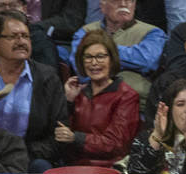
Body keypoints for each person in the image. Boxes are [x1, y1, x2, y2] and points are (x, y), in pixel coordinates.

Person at [0, 10, 68, 171]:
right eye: (13, 37)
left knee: (42, 168)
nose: (21, 42)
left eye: (25, 36)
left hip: (29, 158)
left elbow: (58, 134)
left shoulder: (48, 78)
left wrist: (18, 152)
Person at [54, 29, 139, 166]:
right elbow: (59, 138)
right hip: (73, 167)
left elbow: (116, 144)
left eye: (100, 56)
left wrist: (76, 138)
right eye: (88, 57)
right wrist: (68, 101)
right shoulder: (76, 93)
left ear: (111, 59)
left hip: (110, 170)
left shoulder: (127, 96)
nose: (94, 63)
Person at [68, 0, 166, 102]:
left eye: (129, 1)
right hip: (93, 101)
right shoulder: (85, 32)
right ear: (102, 6)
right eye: (116, 1)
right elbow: (81, 67)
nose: (123, 4)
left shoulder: (153, 33)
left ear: (135, 5)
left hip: (137, 104)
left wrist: (100, 54)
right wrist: (130, 61)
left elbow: (147, 61)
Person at [0, 0, 58, 68]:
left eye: (13, 5)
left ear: (24, 9)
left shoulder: (39, 38)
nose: (7, 9)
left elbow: (49, 81)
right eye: (0, 5)